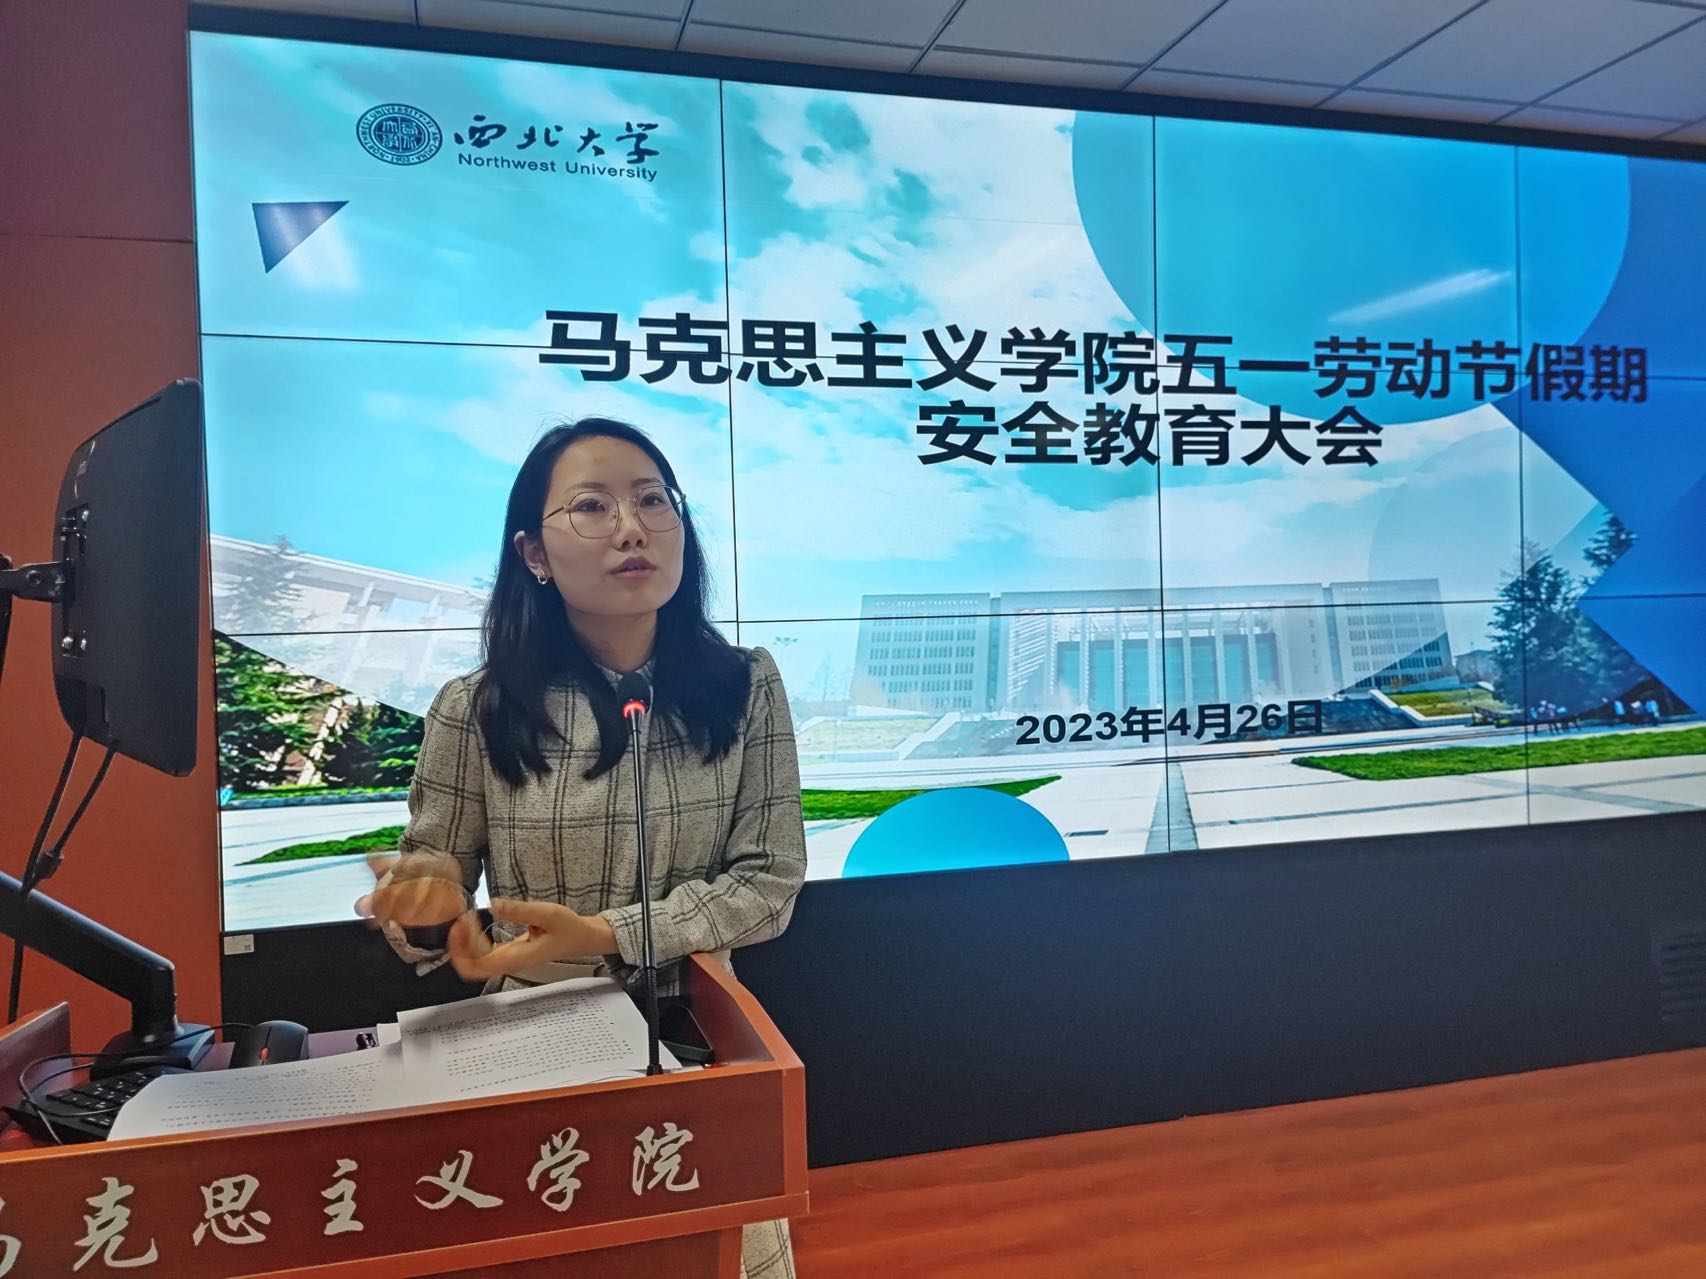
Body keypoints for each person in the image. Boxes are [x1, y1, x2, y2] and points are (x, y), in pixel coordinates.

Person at [358, 417, 806, 1279]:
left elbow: (771, 880)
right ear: (534, 553)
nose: (632, 527)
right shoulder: (477, 706)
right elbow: (433, 876)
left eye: (652, 501)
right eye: (593, 506)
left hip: (700, 1032)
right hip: (531, 1041)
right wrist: (424, 908)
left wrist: (608, 934)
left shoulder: (745, 684)